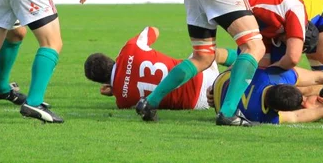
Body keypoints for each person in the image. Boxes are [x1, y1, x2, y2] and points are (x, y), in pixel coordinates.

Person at [135, 0, 308, 126]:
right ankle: (228, 113)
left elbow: (255, 66)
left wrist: (220, 82)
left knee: (203, 57)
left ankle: (150, 102)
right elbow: (292, 57)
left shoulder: (272, 28)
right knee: (255, 47)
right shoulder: (297, 7)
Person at [84, 26, 236, 110]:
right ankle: (247, 60)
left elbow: (126, 86)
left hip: (197, 104)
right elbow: (154, 30)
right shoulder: (130, 49)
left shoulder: (122, 102)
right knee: (208, 54)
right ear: (108, 58)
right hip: (200, 77)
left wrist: (114, 89)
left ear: (101, 83)